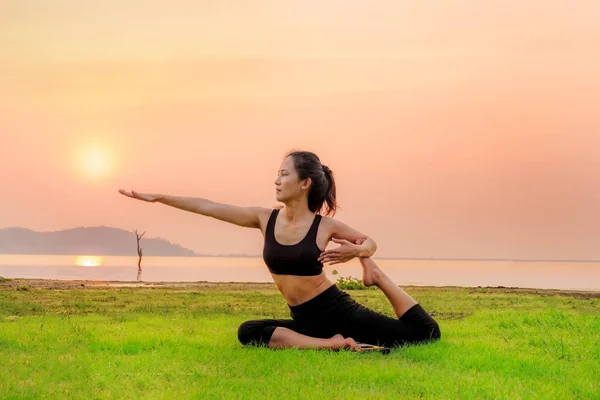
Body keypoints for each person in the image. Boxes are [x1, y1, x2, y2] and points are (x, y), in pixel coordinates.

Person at [119, 150, 441, 351]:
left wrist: (359, 256)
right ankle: (330, 346)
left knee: (425, 335)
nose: (276, 180)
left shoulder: (324, 227)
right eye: (277, 173)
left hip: (338, 311)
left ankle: (378, 278)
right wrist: (159, 197)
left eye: (284, 174)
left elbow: (369, 242)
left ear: (304, 184)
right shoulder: (264, 218)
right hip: (304, 322)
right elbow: (208, 206)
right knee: (249, 332)